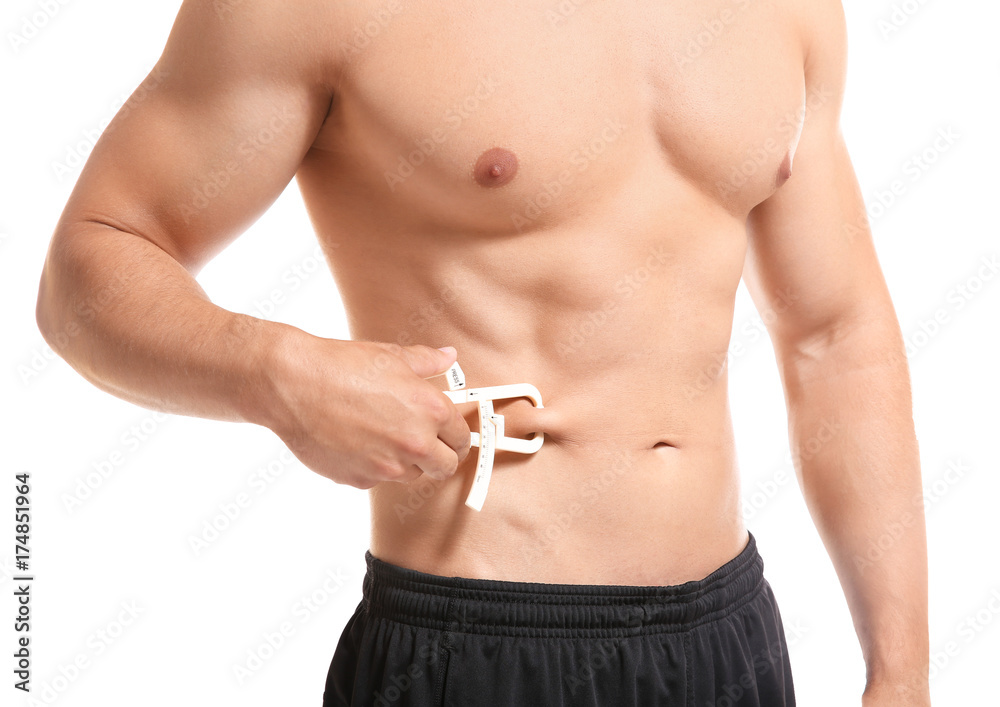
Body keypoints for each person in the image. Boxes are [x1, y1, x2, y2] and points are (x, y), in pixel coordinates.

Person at [35, 0, 930, 704]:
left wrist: (902, 675)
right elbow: (87, 272)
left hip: (730, 637)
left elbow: (833, 335)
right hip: (480, 646)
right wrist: (279, 371)